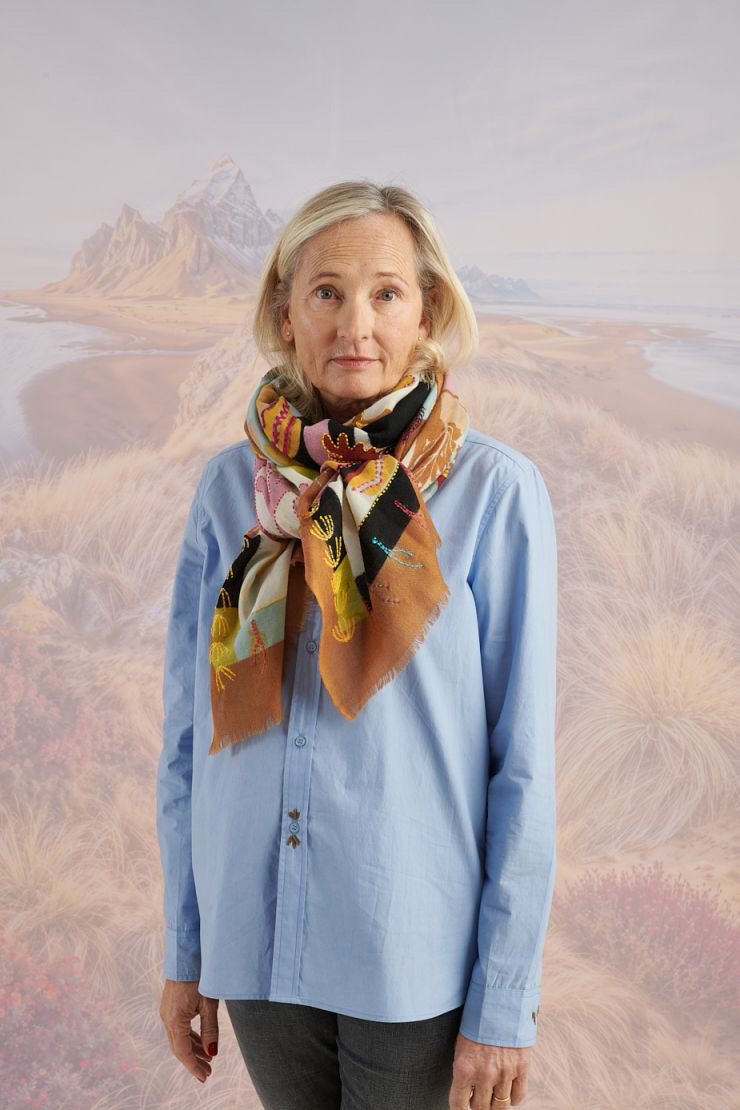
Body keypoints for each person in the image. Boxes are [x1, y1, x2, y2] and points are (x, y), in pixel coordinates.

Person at [156, 181, 558, 1110]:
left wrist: (503, 1000)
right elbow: (187, 742)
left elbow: (523, 765)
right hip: (255, 943)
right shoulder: (230, 491)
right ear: (285, 313)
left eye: (386, 293)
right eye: (327, 292)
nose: (356, 324)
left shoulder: (494, 495)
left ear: (427, 314)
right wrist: (189, 947)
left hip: (410, 955)